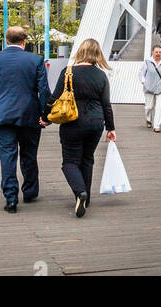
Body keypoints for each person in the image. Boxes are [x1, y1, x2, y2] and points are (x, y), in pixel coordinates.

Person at [0, 25, 50, 212]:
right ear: (24, 42)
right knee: (29, 154)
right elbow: (43, 90)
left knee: (7, 155)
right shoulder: (36, 60)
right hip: (29, 115)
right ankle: (30, 191)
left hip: (1, 115)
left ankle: (11, 198)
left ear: (6, 40)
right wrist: (45, 115)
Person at [48, 37, 115, 218]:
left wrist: (45, 118)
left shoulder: (68, 71)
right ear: (97, 54)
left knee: (70, 161)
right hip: (95, 123)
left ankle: (80, 193)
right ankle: (87, 197)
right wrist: (111, 128)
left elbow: (54, 98)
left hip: (72, 121)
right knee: (87, 159)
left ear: (81, 52)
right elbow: (106, 104)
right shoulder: (101, 75)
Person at [139, 44, 161, 132]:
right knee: (149, 107)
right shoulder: (147, 61)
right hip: (149, 87)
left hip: (160, 88)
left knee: (159, 107)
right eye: (156, 52)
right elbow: (141, 73)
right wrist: (143, 82)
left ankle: (157, 125)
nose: (158, 54)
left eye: (160, 52)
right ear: (152, 52)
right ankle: (148, 119)